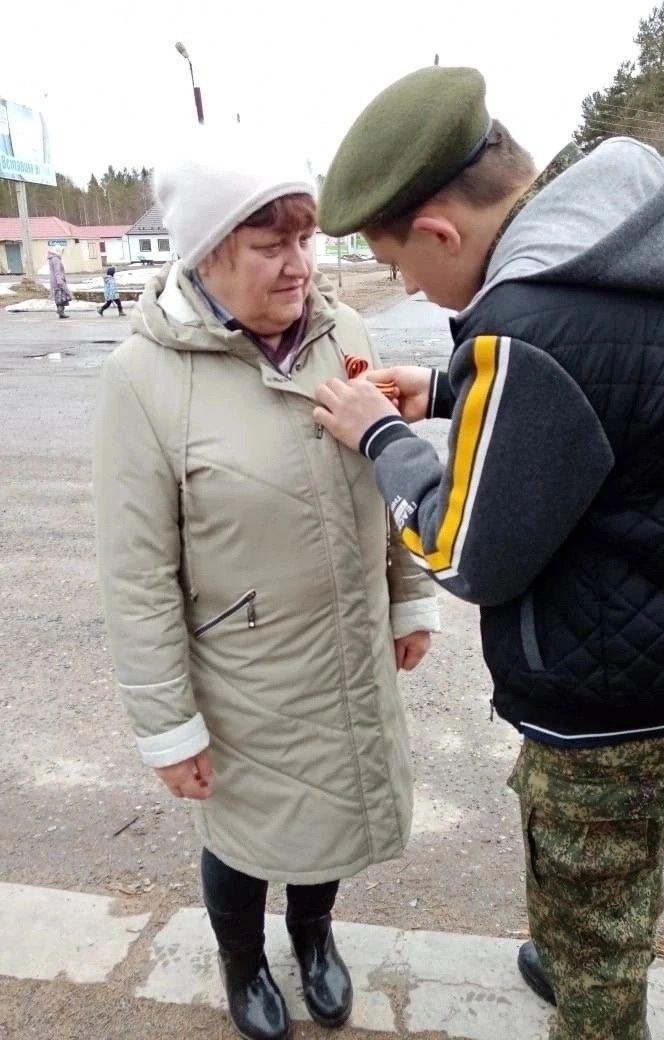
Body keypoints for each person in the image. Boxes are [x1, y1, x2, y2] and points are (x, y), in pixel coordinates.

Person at [313, 66, 664, 1040]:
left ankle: (590, 975)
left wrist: (380, 436)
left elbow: (465, 553)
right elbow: (623, 391)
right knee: (624, 848)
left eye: (399, 264)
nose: (407, 287)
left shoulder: (533, 322)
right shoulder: (645, 239)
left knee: (595, 900)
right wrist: (451, 387)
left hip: (616, 698)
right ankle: (581, 934)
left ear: (440, 231)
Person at [93, 137, 439, 1040]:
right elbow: (136, 572)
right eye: (269, 245)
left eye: (305, 240)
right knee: (246, 835)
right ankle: (243, 961)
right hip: (241, 675)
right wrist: (167, 725)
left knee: (331, 812)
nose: (299, 266)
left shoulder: (344, 334)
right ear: (208, 253)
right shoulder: (143, 379)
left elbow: (384, 471)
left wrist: (408, 595)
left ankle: (313, 937)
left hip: (347, 646)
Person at [47, 247, 71, 318]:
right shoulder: (56, 259)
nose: (62, 253)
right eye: (61, 251)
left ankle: (61, 313)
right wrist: (60, 281)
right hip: (58, 281)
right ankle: (60, 311)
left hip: (54, 280)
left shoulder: (52, 258)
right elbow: (57, 272)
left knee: (58, 296)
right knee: (62, 297)